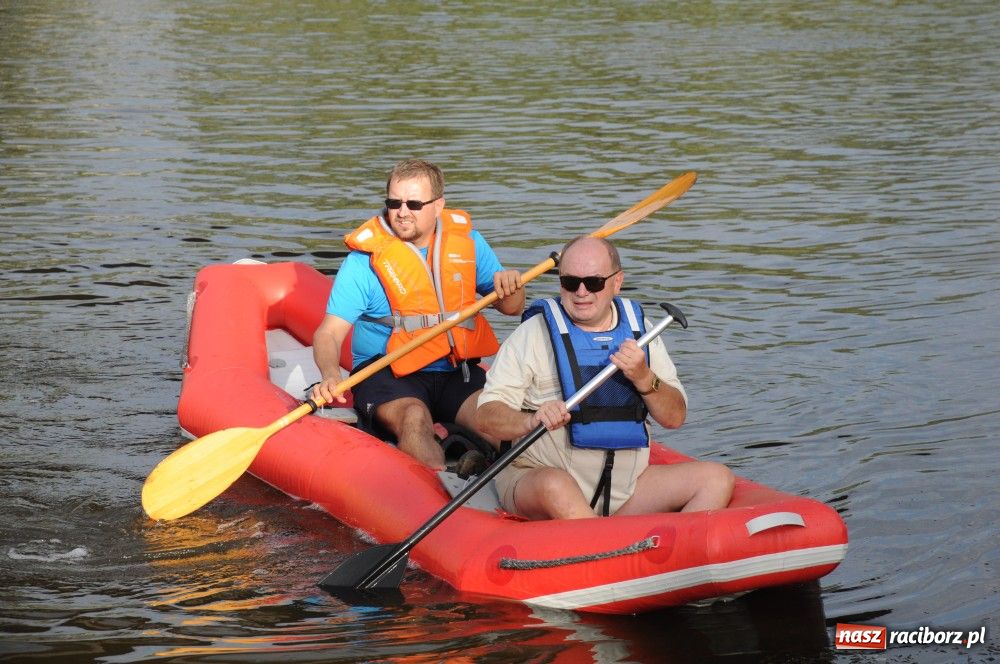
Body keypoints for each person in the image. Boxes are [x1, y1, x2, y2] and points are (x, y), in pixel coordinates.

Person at [475, 236, 734, 519]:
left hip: (625, 489)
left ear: (617, 282)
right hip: (538, 479)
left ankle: (670, 552)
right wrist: (531, 420)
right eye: (570, 282)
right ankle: (607, 550)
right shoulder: (533, 334)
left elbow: (675, 418)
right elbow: (487, 416)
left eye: (594, 282)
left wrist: (645, 378)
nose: (581, 292)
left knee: (716, 479)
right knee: (555, 486)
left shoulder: (642, 332)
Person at [310, 159, 524, 471]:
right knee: (414, 416)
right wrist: (331, 374)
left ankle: (522, 479)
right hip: (388, 374)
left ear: (438, 206)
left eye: (413, 203)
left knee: (497, 420)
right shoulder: (363, 262)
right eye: (394, 202)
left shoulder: (469, 244)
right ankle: (439, 491)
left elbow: (512, 307)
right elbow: (328, 333)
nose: (402, 211)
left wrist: (512, 286)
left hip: (455, 372)